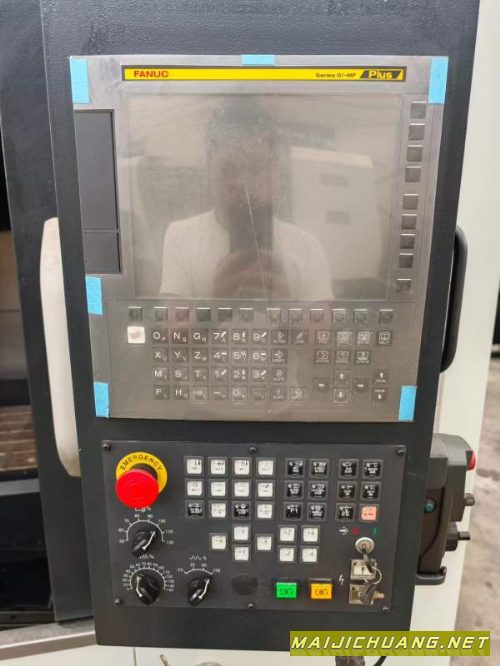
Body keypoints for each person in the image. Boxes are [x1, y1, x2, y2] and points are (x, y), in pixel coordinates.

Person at [160, 99, 332, 301]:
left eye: (255, 168)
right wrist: (217, 305)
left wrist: (285, 309)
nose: (243, 183)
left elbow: (322, 324)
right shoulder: (181, 236)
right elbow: (172, 322)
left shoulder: (308, 247)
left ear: (275, 170)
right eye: (229, 168)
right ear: (209, 167)